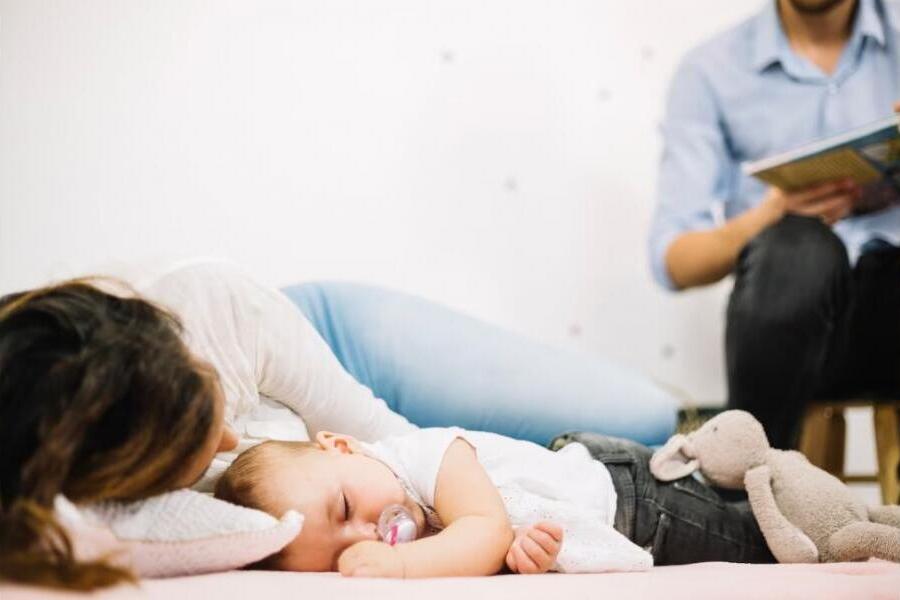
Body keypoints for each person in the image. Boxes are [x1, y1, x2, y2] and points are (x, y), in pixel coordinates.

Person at [0, 260, 676, 588]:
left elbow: (397, 444)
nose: (233, 441)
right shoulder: (71, 475)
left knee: (645, 416)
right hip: (318, 468)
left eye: (212, 409)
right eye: (194, 452)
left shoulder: (219, 314)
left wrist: (454, 540)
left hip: (349, 381)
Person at [649, 0, 900, 448]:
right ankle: (748, 494)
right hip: (793, 335)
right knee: (797, 250)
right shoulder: (711, 69)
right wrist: (770, 215)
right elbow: (676, 261)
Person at [213, 426, 773, 578]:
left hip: (632, 498)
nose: (365, 536)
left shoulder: (428, 456)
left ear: (341, 445)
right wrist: (523, 556)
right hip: (604, 500)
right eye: (340, 553)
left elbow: (484, 530)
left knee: (758, 540)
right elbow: (498, 544)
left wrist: (399, 565)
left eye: (343, 509)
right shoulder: (403, 512)